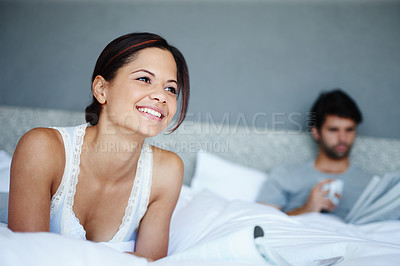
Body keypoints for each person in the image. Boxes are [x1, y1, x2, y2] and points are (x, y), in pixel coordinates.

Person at [7, 32, 190, 261]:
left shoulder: (167, 171)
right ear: (102, 89)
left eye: (171, 89)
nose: (161, 96)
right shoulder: (42, 149)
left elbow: (149, 262)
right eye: (144, 79)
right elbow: (30, 257)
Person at [257, 89, 373, 219]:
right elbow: (261, 222)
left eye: (349, 130)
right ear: (316, 132)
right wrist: (305, 209)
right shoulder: (285, 175)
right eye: (333, 130)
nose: (342, 138)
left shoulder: (371, 185)